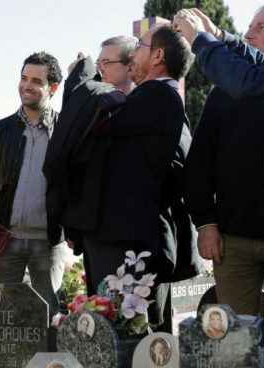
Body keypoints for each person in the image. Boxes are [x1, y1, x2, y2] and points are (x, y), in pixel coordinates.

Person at [173, 0, 264, 340]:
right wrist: (222, 36)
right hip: (259, 235)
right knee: (241, 342)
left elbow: (254, 80)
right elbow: (262, 70)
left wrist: (201, 41)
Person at [50, 25, 194, 329]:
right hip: (108, 232)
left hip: (123, 233)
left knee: (122, 327)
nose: (102, 71)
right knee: (109, 324)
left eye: (140, 47)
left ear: (156, 56)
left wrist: (82, 78)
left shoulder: (156, 95)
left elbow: (92, 126)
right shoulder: (148, 97)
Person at [0, 52, 66, 316]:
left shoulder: (65, 130)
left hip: (48, 243)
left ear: (52, 87)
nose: (26, 85)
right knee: (2, 315)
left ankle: (48, 360)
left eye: (36, 81)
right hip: (6, 240)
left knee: (48, 316)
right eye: (23, 78)